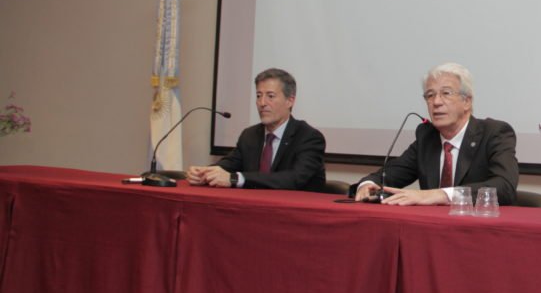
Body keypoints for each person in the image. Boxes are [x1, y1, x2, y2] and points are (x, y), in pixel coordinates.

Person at [355, 62, 518, 205]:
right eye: (430, 95)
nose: (436, 102)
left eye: (446, 93)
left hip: (476, 226)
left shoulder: (494, 133)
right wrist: (368, 185)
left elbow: (504, 187)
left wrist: (440, 195)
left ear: (466, 101)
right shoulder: (427, 136)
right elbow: (388, 175)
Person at [187, 68, 326, 192]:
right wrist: (203, 173)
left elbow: (295, 178)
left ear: (290, 101)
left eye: (270, 96)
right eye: (259, 96)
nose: (262, 103)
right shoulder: (250, 135)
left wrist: (235, 178)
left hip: (295, 210)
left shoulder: (308, 137)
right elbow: (228, 165)